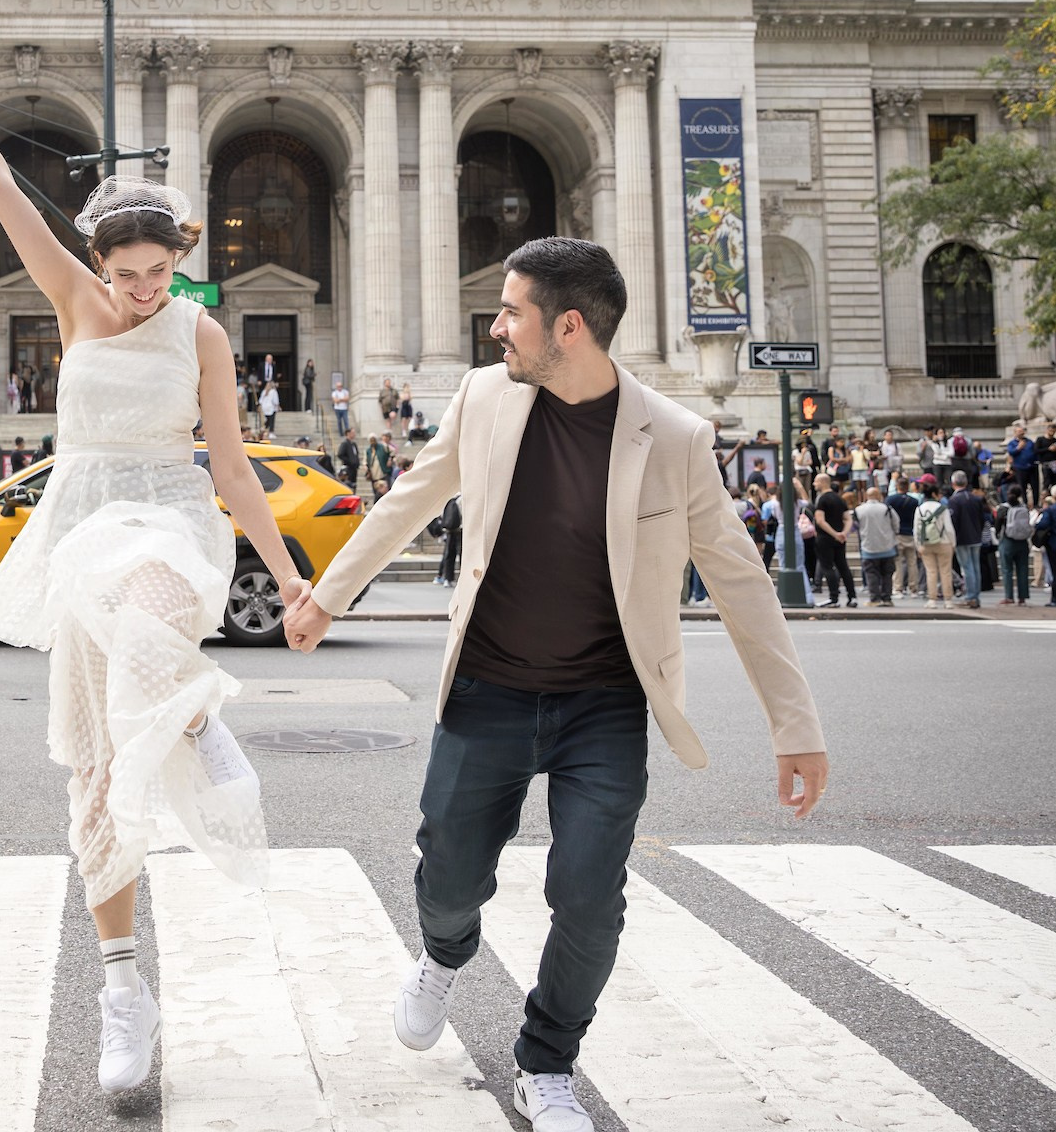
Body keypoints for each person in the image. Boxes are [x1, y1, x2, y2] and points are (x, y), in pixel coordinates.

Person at [282, 236, 825, 1130]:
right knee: (447, 880)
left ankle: (547, 1061)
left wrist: (794, 725)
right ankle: (445, 955)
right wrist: (328, 599)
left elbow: (738, 580)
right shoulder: (485, 397)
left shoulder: (676, 439)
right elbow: (408, 499)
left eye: (510, 314)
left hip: (604, 706)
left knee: (587, 894)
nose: (494, 328)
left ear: (567, 327)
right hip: (487, 689)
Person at [0, 48, 311, 1095]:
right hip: (79, 520)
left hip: (169, 518)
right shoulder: (75, 301)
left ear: (182, 254)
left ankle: (192, 716)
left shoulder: (204, 334)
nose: (137, 293)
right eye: (122, 274)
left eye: (156, 272)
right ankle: (123, 987)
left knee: (152, 617)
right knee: (92, 777)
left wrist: (291, 579)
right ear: (98, 263)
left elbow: (230, 464)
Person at [812, 472, 857, 607]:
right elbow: (848, 518)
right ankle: (852, 596)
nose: (814, 484)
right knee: (843, 567)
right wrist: (843, 533)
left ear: (822, 482)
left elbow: (820, 520)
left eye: (816, 482)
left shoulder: (822, 499)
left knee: (827, 567)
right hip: (839, 540)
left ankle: (834, 597)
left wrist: (834, 533)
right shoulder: (839, 499)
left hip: (825, 538)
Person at [853, 487, 900, 605]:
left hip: (868, 547)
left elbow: (855, 526)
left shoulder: (859, 510)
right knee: (887, 574)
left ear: (866, 496)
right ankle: (887, 598)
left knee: (871, 573)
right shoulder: (887, 509)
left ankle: (874, 598)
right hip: (887, 546)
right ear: (879, 496)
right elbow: (896, 524)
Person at [914, 479, 956, 607]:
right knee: (946, 571)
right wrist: (953, 544)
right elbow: (949, 528)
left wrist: (918, 546)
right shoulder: (942, 509)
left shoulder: (919, 509)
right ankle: (948, 600)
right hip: (944, 542)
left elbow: (916, 529)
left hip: (926, 544)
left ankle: (932, 599)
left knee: (931, 571)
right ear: (934, 494)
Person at [947, 469, 986, 608]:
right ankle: (975, 595)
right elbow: (982, 519)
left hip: (962, 537)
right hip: (975, 536)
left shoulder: (954, 500)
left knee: (967, 567)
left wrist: (953, 538)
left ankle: (971, 596)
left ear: (953, 483)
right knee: (975, 567)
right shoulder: (975, 499)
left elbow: (953, 521)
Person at [995, 488, 1033, 604]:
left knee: (1007, 569)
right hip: (1022, 541)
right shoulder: (1024, 507)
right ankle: (1022, 597)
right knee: (1022, 569)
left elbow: (997, 524)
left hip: (1008, 540)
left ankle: (1009, 596)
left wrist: (998, 534)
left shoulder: (1003, 508)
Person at [886, 475, 921, 598]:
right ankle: (914, 589)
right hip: (910, 533)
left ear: (897, 486)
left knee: (898, 562)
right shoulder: (914, 501)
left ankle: (898, 588)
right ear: (907, 487)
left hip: (897, 534)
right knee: (912, 562)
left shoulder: (890, 500)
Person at [435, 495, 462, 586]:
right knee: (462, 555)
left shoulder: (450, 499)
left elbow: (443, 515)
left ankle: (447, 578)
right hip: (461, 530)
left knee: (449, 555)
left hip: (450, 530)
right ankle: (463, 577)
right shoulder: (462, 498)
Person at [337, 427, 361, 492]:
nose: (354, 434)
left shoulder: (353, 444)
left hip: (354, 468)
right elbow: (340, 454)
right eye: (352, 433)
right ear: (348, 433)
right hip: (348, 468)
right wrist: (349, 462)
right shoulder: (345, 443)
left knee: (354, 484)